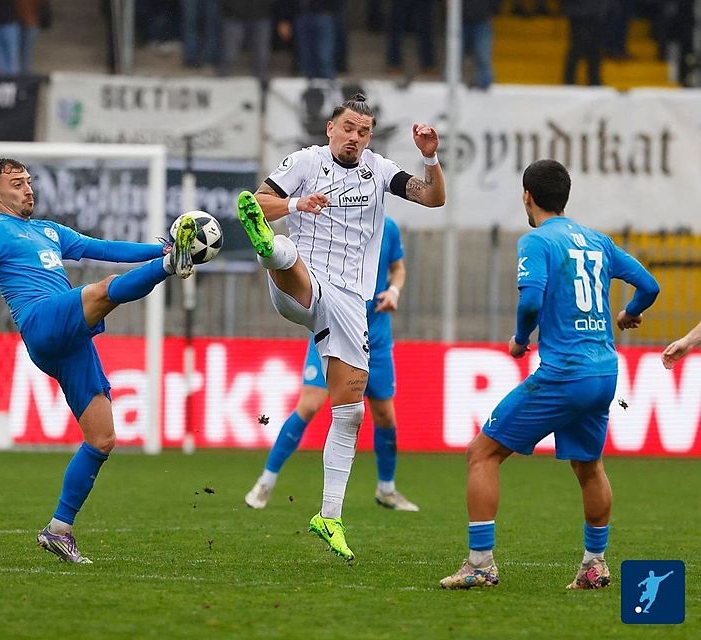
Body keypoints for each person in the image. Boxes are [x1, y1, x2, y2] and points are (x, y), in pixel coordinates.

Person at [0, 158, 203, 564]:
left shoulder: (48, 230)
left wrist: (163, 246)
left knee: (102, 439)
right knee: (102, 291)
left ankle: (58, 530)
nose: (28, 189)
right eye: (16, 184)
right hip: (42, 321)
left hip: (71, 339)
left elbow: (102, 248)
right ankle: (169, 268)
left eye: (29, 181)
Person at [236, 94, 445, 560]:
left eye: (363, 131)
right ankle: (268, 248)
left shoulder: (380, 170)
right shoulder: (306, 162)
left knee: (350, 413)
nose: (355, 137)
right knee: (286, 251)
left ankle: (328, 516)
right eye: (348, 128)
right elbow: (257, 200)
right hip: (304, 282)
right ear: (330, 128)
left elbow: (432, 198)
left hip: (352, 302)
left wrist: (430, 158)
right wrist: (294, 203)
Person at [439, 159, 660, 590]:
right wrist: (629, 314)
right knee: (589, 466)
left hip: (565, 372)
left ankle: (481, 564)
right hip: (604, 371)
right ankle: (594, 564)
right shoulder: (598, 241)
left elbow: (530, 303)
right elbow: (649, 286)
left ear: (527, 196)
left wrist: (522, 339)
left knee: (482, 454)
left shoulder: (537, 241)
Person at [244, 216, 420, 512]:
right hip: (332, 327)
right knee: (309, 405)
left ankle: (387, 490)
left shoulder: (387, 227)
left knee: (385, 416)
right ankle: (265, 482)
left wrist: (394, 291)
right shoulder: (330, 222)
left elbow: (397, 268)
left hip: (374, 337)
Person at [564, 0, 608, 86]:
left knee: (595, 48)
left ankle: (594, 80)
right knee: (578, 47)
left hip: (595, 11)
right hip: (579, 12)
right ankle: (569, 81)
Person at [463, 0, 500, 90]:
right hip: (460, 21)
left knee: (483, 56)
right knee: (455, 56)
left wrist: (490, 9)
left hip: (482, 20)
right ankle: (453, 83)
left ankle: (484, 84)